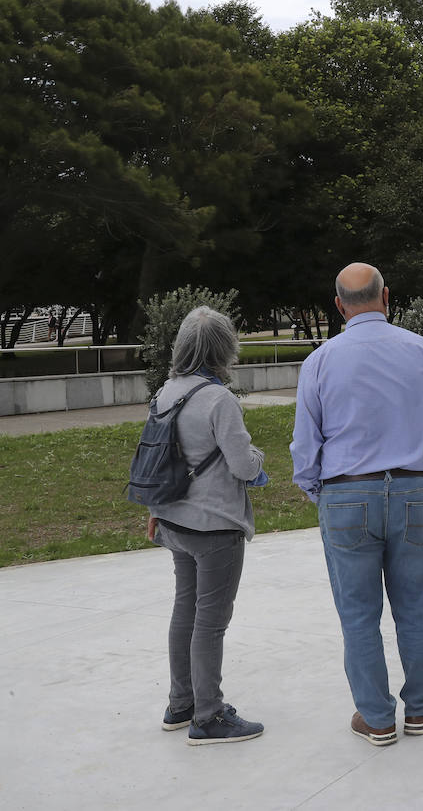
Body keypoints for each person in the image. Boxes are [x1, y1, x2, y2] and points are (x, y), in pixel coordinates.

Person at [290, 263, 423, 746]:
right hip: (413, 490)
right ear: (387, 296)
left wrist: (318, 492)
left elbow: (307, 443)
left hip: (346, 493)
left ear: (339, 304)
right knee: (416, 608)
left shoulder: (321, 361)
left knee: (358, 614)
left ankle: (376, 717)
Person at [145, 306, 267, 745]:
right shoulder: (219, 400)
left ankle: (181, 704)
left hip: (174, 519)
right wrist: (259, 461)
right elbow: (243, 466)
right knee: (210, 621)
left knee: (186, 610)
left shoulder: (165, 393)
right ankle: (209, 715)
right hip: (215, 528)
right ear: (224, 349)